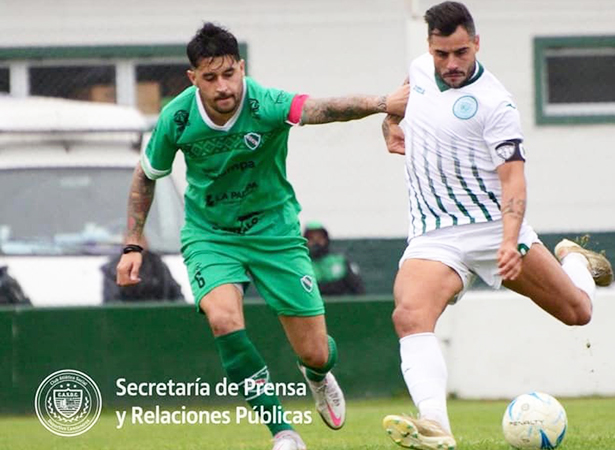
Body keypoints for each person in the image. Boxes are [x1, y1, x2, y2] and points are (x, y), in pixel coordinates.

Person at [114, 23, 408, 450]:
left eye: (230, 74)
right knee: (223, 319)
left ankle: (318, 374)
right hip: (210, 235)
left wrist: (384, 102)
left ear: (242, 69)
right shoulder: (176, 117)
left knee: (315, 352)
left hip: (276, 232)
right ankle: (283, 432)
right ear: (192, 78)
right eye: (210, 77)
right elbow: (146, 176)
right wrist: (133, 244)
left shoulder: (264, 102)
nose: (223, 87)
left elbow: (323, 109)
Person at [379, 3, 613, 449]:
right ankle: (436, 428)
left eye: (461, 53)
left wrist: (509, 242)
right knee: (409, 316)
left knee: (578, 312)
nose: (450, 64)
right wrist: (389, 124)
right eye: (441, 54)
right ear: (429, 48)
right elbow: (400, 100)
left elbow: (513, 180)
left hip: (494, 230)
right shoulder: (419, 70)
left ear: (477, 44)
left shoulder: (495, 103)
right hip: (435, 234)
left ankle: (573, 258)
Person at [101, 236, 184, 302]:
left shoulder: (159, 266)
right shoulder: (113, 269)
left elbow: (176, 294)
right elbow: (112, 302)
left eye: (140, 240)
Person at [303, 222, 365, 296]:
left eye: (320, 238)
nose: (316, 242)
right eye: (311, 239)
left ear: (326, 239)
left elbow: (358, 290)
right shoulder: (300, 265)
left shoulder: (340, 262)